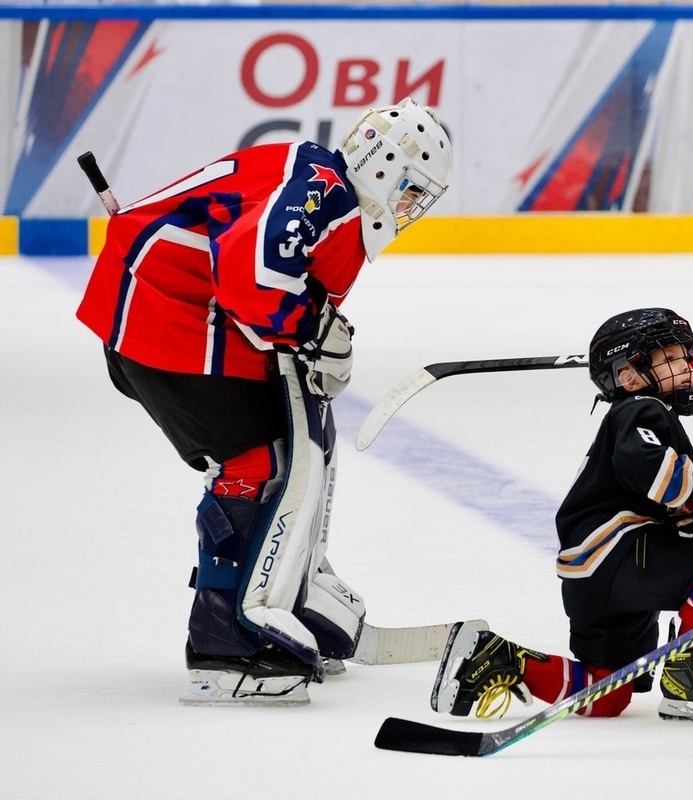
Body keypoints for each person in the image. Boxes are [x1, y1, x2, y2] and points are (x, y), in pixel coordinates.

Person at [75, 99, 453, 705]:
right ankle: (227, 638)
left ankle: (286, 590)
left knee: (295, 438)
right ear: (383, 166)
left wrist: (310, 328)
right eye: (411, 189)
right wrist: (309, 328)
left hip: (180, 310)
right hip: (163, 314)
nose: (410, 208)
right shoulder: (322, 192)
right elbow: (252, 277)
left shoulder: (326, 184)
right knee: (255, 461)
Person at [431, 308, 693, 722]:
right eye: (671, 359)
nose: (687, 368)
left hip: (590, 577)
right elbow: (647, 467)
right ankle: (687, 669)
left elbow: (650, 490)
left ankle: (501, 658)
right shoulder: (641, 407)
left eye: (683, 357)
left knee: (607, 693)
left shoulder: (629, 413)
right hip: (617, 555)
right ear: (629, 376)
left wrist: (690, 508)